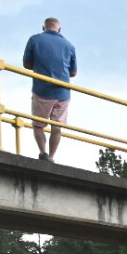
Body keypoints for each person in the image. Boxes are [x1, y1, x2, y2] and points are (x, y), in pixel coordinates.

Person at [22, 17, 78, 162]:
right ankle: (52, 157)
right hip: (63, 92)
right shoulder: (70, 46)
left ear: (44, 28)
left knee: (38, 125)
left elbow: (26, 64)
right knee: (57, 126)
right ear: (60, 29)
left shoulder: (34, 40)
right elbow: (73, 73)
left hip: (42, 90)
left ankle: (43, 153)